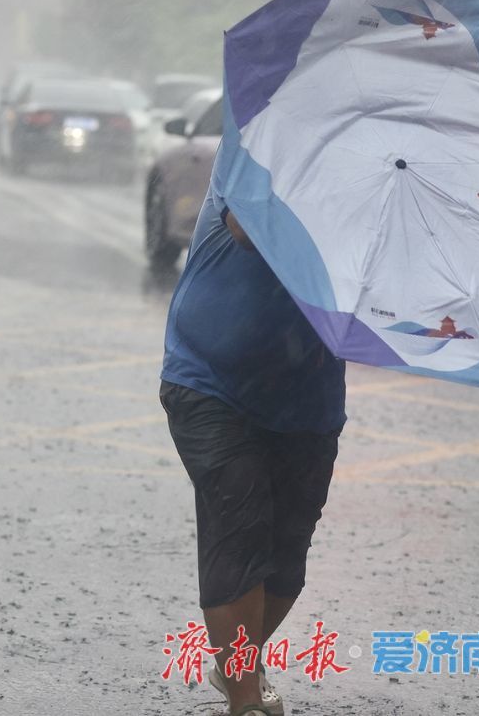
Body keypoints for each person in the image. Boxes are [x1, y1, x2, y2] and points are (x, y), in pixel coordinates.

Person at [159, 193, 346, 716]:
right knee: (239, 528)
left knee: (287, 553)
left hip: (310, 394)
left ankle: (238, 662)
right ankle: (244, 700)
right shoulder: (259, 131)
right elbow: (247, 225)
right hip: (209, 380)